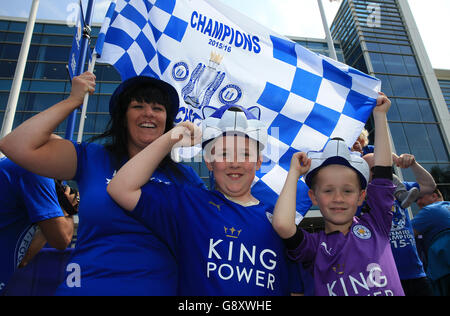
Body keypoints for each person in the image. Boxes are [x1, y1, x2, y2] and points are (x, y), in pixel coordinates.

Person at [0, 72, 205, 295]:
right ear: (123, 117)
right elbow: (14, 145)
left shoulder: (186, 179)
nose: (149, 113)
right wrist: (73, 101)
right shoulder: (92, 157)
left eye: (158, 108)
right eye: (138, 106)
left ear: (168, 122)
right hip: (85, 288)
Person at [107, 104, 304, 295]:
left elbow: (295, 290)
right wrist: (170, 139)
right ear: (209, 161)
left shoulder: (279, 221)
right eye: (224, 153)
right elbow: (120, 188)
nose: (234, 163)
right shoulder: (188, 203)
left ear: (258, 162)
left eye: (245, 154)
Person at [272, 93, 405, 296]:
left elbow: (383, 175)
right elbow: (282, 225)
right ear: (314, 197)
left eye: (347, 190)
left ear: (361, 196)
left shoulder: (376, 225)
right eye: (327, 190)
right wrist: (293, 173)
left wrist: (380, 116)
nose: (338, 198)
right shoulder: (314, 246)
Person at [363, 152, 435, 296]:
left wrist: (413, 164)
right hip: (386, 279)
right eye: (373, 170)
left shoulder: (396, 189)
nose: (380, 173)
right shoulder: (361, 198)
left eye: (383, 167)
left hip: (416, 274)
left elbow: (429, 186)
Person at [0, 157, 74, 295]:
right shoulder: (34, 170)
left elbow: (23, 259)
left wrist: (52, 217)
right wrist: (66, 210)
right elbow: (62, 239)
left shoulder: (17, 166)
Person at [412, 188, 450, 296]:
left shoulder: (431, 210)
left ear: (434, 196)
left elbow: (406, 235)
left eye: (420, 198)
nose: (418, 202)